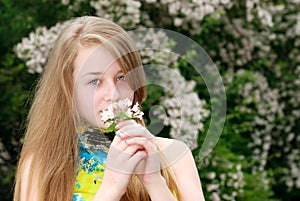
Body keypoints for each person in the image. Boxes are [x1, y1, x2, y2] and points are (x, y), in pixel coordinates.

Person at [13, 16, 205, 201]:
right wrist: (111, 188)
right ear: (68, 90)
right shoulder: (42, 166)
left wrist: (154, 182)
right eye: (95, 81)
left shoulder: (175, 156)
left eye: (121, 77)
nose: (113, 94)